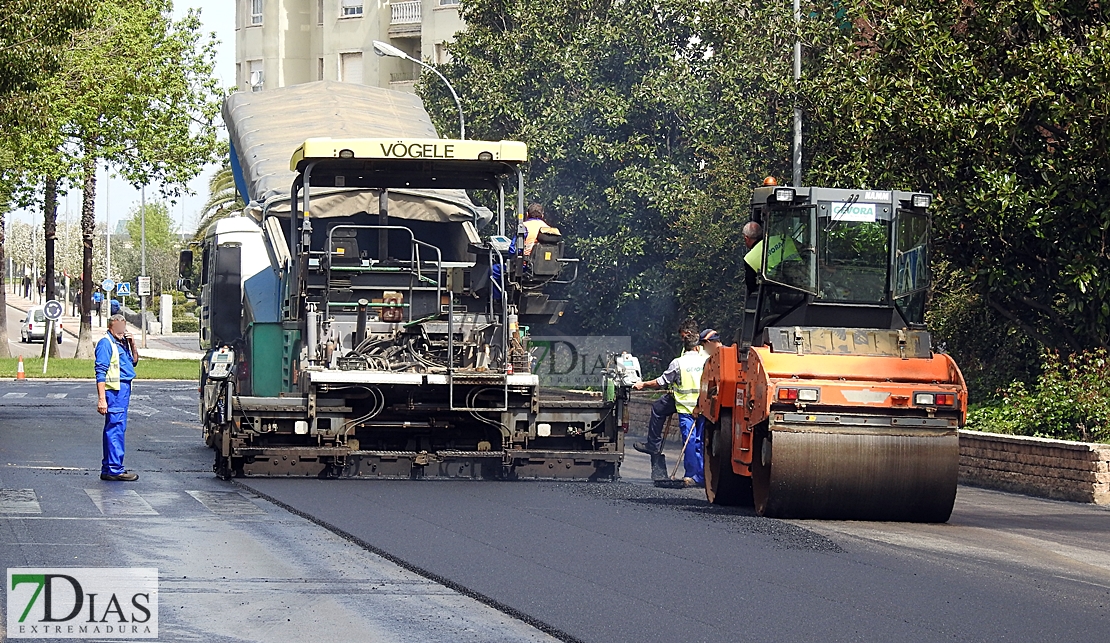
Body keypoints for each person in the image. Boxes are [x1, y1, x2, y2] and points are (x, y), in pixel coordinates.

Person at [632, 330, 709, 487]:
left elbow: (660, 381)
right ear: (697, 347)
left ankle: (691, 476)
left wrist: (643, 384)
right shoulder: (707, 360)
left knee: (690, 441)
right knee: (701, 441)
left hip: (686, 408)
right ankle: (701, 475)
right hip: (705, 407)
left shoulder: (678, 363)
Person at [95, 313, 140, 481]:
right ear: (110, 328)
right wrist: (102, 399)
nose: (122, 331)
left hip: (122, 389)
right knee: (116, 429)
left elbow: (133, 362)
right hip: (114, 391)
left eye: (124, 328)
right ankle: (115, 469)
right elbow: (100, 372)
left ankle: (109, 467)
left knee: (114, 428)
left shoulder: (122, 343)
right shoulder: (106, 344)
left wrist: (132, 343)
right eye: (118, 329)